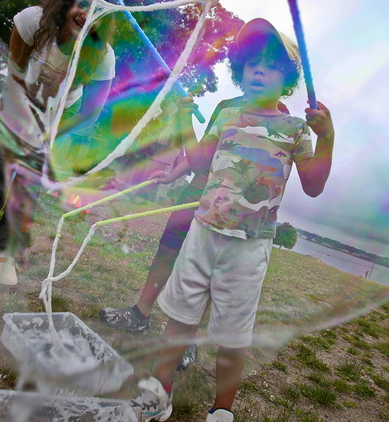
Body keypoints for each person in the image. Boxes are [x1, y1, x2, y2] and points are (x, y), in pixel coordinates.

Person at [130, 19, 334, 422]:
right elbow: (199, 163)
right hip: (202, 231)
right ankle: (160, 391)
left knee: (232, 336)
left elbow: (314, 186)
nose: (258, 70)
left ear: (289, 79)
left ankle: (222, 411)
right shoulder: (228, 114)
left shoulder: (295, 129)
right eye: (251, 63)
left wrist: (328, 137)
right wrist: (185, 121)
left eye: (270, 65)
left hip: (249, 245)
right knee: (180, 319)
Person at [0, 0, 116, 288]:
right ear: (67, 2)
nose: (87, 14)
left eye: (97, 12)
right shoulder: (31, 21)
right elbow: (16, 70)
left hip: (58, 119)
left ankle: (7, 253)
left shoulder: (102, 54)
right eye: (83, 4)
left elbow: (91, 111)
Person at [99, 96, 290, 370]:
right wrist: (174, 173)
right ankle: (140, 313)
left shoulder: (280, 115)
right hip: (197, 189)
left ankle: (186, 338)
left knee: (205, 268)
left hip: (227, 205)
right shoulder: (227, 106)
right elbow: (203, 153)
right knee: (168, 249)